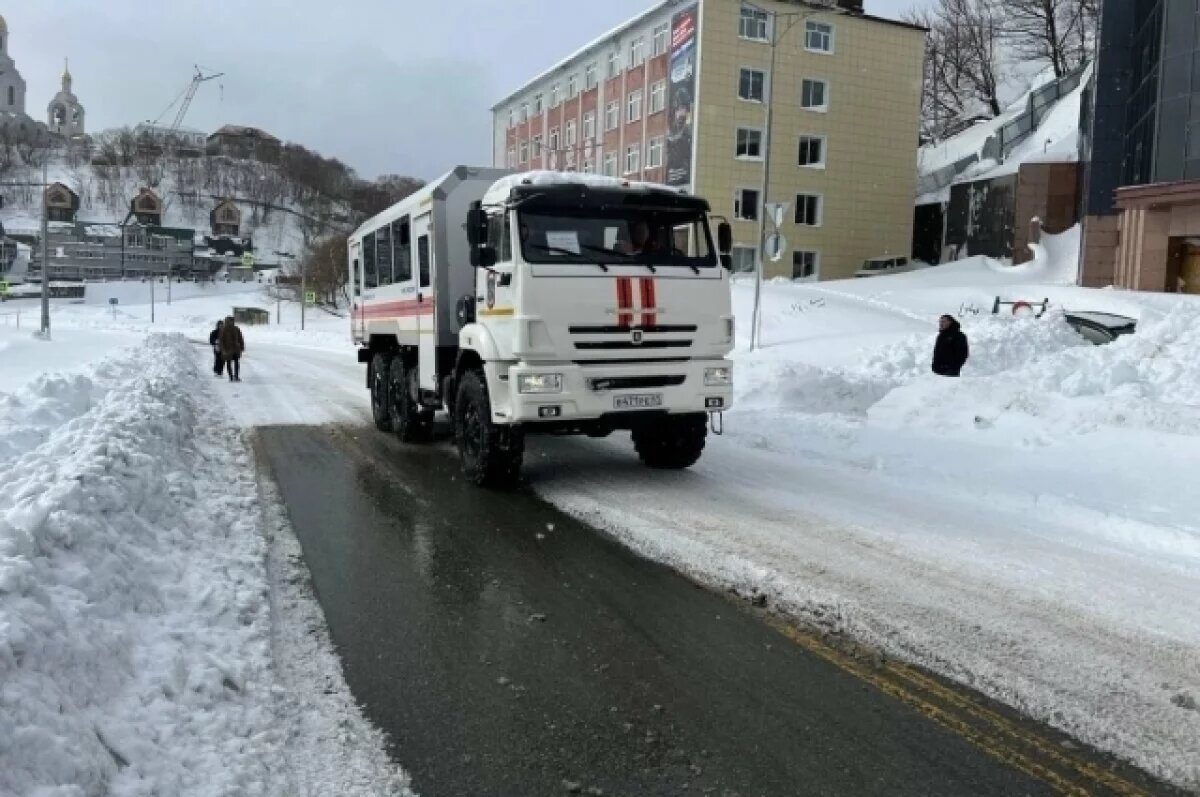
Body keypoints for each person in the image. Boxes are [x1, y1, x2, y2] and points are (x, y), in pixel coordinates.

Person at [218, 315, 245, 382]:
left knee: (236, 363)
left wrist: (241, 346)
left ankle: (236, 376)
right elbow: (221, 340)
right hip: (227, 349)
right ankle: (231, 377)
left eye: (232, 321)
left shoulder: (236, 329)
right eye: (230, 321)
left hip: (236, 349)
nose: (231, 322)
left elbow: (240, 338)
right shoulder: (223, 329)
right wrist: (223, 350)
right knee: (228, 363)